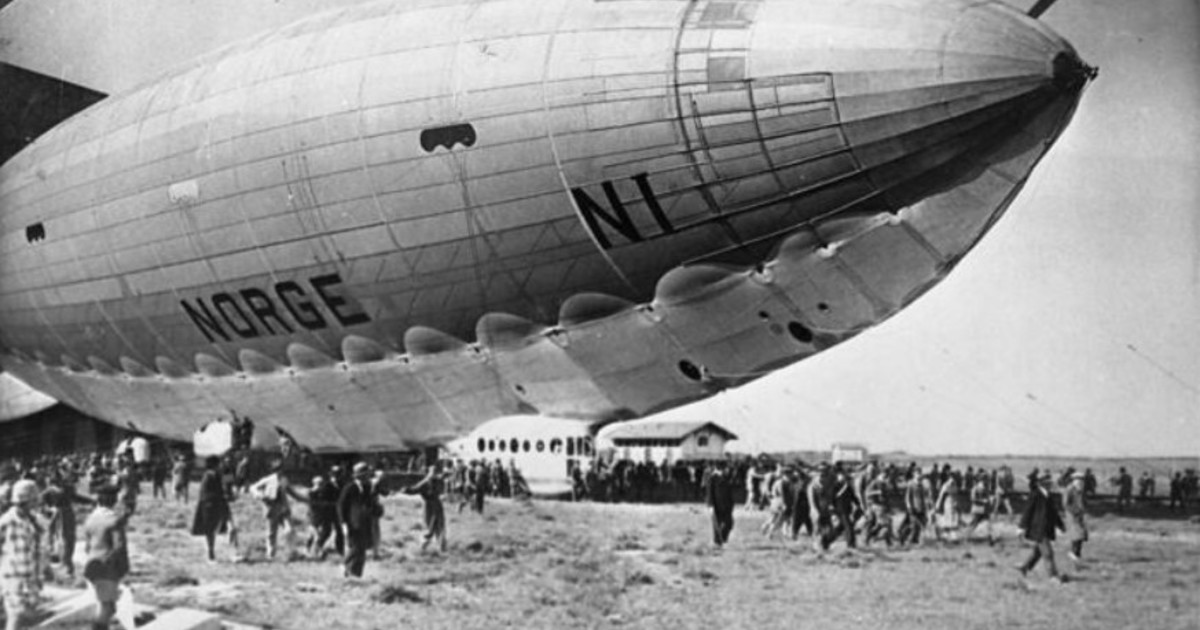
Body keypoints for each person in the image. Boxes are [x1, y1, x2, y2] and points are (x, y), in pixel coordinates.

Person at [81, 485, 128, 630]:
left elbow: (87, 547)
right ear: (113, 499)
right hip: (108, 567)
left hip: (92, 565)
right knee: (106, 608)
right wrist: (123, 568)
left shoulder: (90, 519)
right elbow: (119, 547)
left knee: (108, 606)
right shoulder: (114, 520)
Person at [0, 480, 45, 630]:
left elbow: (38, 548)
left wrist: (41, 573)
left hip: (30, 576)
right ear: (23, 501)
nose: (35, 505)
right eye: (33, 501)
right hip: (12, 577)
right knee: (16, 615)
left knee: (28, 615)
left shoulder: (32, 520)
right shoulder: (6, 522)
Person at [39, 472, 93, 579]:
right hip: (58, 515)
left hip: (66, 514)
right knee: (58, 539)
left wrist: (90, 501)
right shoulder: (49, 492)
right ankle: (60, 564)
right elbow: (40, 503)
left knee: (68, 539)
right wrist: (47, 510)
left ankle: (67, 565)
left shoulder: (66, 489)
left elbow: (76, 497)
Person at [1017, 473, 1066, 582]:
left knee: (1038, 552)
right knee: (1048, 552)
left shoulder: (1049, 496)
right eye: (1048, 483)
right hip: (1038, 529)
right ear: (1042, 484)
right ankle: (1053, 576)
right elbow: (1028, 511)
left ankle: (1025, 567)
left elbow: (1054, 513)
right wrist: (1021, 527)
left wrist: (1061, 525)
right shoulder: (1035, 495)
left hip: (1047, 529)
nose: (1050, 485)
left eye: (1050, 483)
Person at [337, 462, 380, 578]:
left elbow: (372, 504)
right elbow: (341, 506)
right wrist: (343, 523)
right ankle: (345, 566)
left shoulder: (368, 488)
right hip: (353, 523)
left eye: (367, 475)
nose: (367, 477)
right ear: (358, 476)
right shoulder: (349, 488)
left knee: (362, 550)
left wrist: (376, 509)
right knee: (356, 547)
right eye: (365, 474)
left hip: (365, 523)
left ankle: (356, 574)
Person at [248, 462, 296, 560]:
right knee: (271, 533)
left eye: (281, 469)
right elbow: (253, 487)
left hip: (283, 509)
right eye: (277, 470)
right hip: (271, 509)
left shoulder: (284, 480)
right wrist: (260, 495)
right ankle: (270, 554)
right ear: (273, 471)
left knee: (289, 530)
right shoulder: (268, 480)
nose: (280, 472)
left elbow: (293, 492)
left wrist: (307, 499)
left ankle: (289, 552)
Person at [191, 456, 234, 563]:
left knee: (231, 527)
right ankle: (211, 554)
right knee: (211, 531)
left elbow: (228, 486)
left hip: (220, 504)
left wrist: (228, 471)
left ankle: (234, 553)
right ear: (216, 465)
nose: (221, 465)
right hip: (212, 506)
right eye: (220, 463)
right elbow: (209, 493)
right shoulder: (209, 476)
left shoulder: (219, 474)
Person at [404, 463, 446, 553]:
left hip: (433, 505)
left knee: (436, 525)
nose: (433, 474)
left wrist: (405, 489)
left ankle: (439, 546)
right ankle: (428, 546)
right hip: (432, 505)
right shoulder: (432, 482)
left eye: (434, 472)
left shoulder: (429, 482)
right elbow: (414, 490)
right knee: (433, 526)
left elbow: (414, 490)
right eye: (432, 472)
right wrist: (406, 490)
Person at [303, 476, 339, 559]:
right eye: (319, 484)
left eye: (322, 484)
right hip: (314, 516)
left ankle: (318, 548)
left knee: (327, 531)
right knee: (314, 534)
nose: (321, 486)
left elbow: (331, 501)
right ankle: (309, 549)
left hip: (324, 515)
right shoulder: (311, 492)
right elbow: (311, 504)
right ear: (314, 484)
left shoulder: (325, 492)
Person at [705, 462, 735, 548]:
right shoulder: (712, 478)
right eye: (725, 468)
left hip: (727, 505)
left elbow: (729, 491)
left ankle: (722, 540)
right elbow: (709, 493)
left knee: (729, 523)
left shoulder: (726, 477)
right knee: (716, 525)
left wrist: (732, 503)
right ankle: (717, 542)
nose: (727, 470)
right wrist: (710, 505)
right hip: (716, 505)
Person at [1063, 471, 1088, 562]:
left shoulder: (1080, 490)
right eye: (1079, 480)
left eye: (1082, 481)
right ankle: (1074, 553)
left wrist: (1083, 509)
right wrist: (1075, 511)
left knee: (1081, 535)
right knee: (1077, 535)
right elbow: (1066, 504)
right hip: (1072, 515)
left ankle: (1076, 553)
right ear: (1074, 480)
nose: (1081, 483)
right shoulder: (1069, 489)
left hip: (1080, 515)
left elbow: (1083, 501)